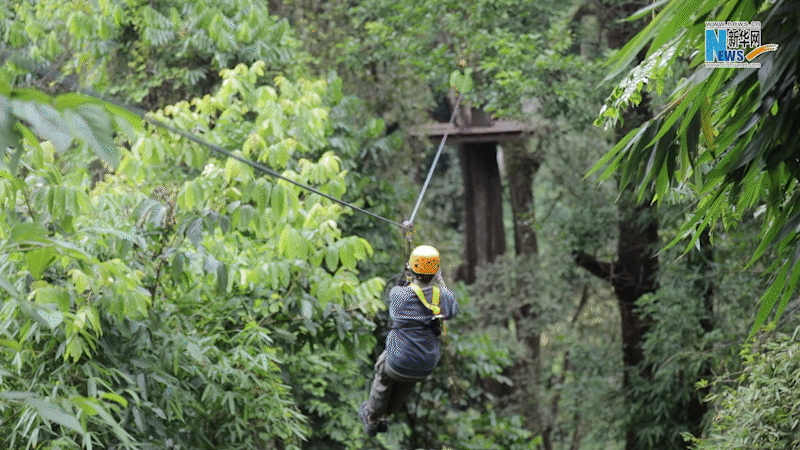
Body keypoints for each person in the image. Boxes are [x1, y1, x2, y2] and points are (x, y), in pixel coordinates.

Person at [359, 245, 459, 436]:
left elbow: (397, 296)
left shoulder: (399, 295)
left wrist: (407, 275)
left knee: (384, 372)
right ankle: (387, 415)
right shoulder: (443, 297)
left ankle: (372, 417)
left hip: (399, 359)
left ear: (412, 269)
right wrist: (441, 281)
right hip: (425, 364)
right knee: (407, 381)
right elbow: (452, 308)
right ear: (436, 271)